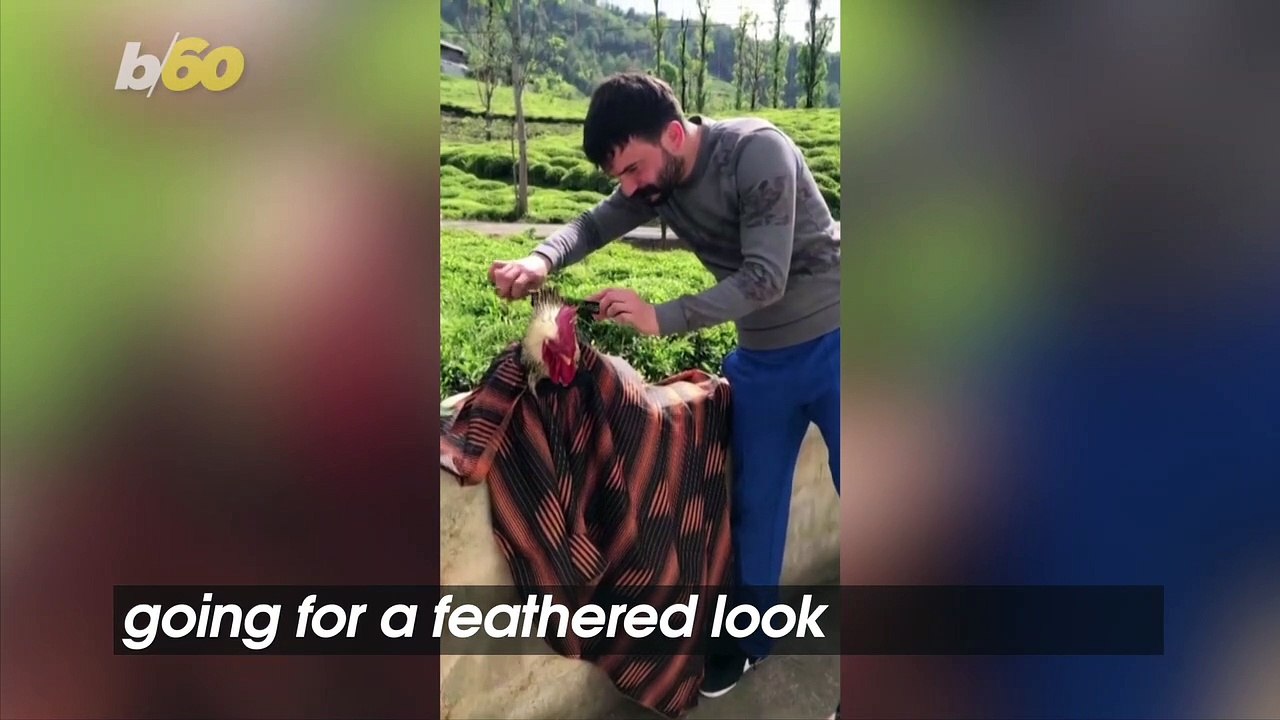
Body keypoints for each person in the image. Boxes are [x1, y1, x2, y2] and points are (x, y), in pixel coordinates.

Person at [488, 72, 841, 699]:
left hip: (840, 340)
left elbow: (765, 278)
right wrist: (539, 260)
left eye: (631, 169)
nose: (628, 187)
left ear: (673, 135)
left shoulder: (757, 153)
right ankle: (752, 644)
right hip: (761, 360)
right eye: (619, 177)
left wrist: (661, 316)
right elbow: (593, 226)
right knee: (753, 507)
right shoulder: (657, 184)